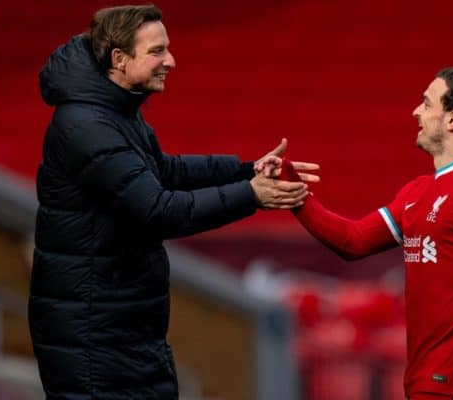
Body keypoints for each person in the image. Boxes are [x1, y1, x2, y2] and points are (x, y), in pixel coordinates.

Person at [28, 4, 318, 399]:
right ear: (118, 59)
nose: (171, 60)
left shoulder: (112, 111)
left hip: (119, 330)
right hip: (96, 342)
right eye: (157, 51)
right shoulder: (89, 127)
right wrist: (250, 195)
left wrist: (247, 170)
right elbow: (158, 210)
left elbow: (164, 170)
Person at [278, 67, 453, 400]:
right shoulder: (418, 192)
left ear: (451, 119)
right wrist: (296, 196)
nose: (416, 112)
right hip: (423, 382)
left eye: (426, 103)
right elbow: (353, 241)